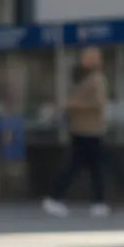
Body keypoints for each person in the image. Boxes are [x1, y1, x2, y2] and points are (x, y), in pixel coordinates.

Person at [43, 46, 111, 218]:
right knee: (80, 166)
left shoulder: (96, 79)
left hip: (91, 130)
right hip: (83, 131)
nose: (87, 61)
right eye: (86, 57)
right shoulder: (84, 78)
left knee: (89, 167)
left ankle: (97, 202)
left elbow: (98, 103)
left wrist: (71, 105)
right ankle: (57, 198)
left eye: (92, 57)